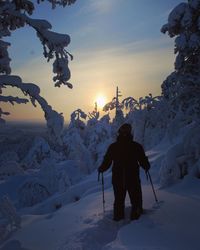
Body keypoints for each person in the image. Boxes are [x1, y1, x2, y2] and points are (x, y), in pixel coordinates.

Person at [98, 123, 150, 221]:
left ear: (119, 133)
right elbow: (143, 160)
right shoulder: (136, 146)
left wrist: (101, 169)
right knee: (136, 199)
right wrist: (146, 166)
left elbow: (107, 161)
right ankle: (137, 220)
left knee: (119, 200)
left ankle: (118, 219)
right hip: (133, 178)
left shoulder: (113, 147)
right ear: (130, 133)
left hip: (118, 179)